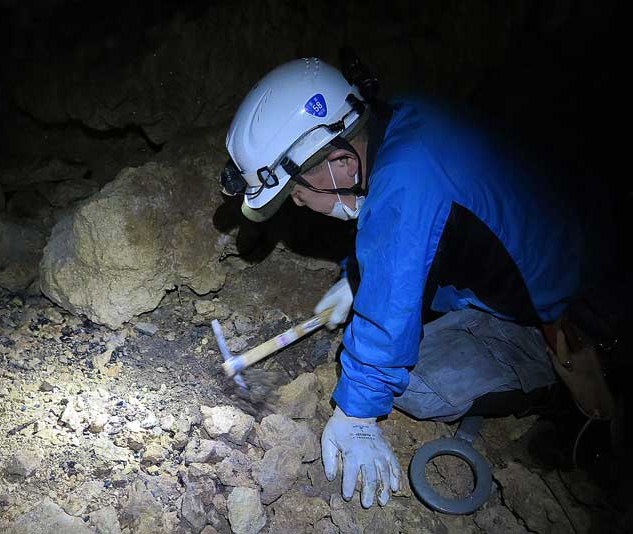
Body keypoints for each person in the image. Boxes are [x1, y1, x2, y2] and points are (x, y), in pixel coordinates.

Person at [219, 56, 614, 508]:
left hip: (576, 305)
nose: (302, 205)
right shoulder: (404, 118)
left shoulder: (404, 184)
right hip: (571, 238)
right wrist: (358, 275)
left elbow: (395, 285)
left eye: (298, 192)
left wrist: (357, 415)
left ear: (341, 163)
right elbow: (428, 228)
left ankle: (563, 390)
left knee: (421, 384)